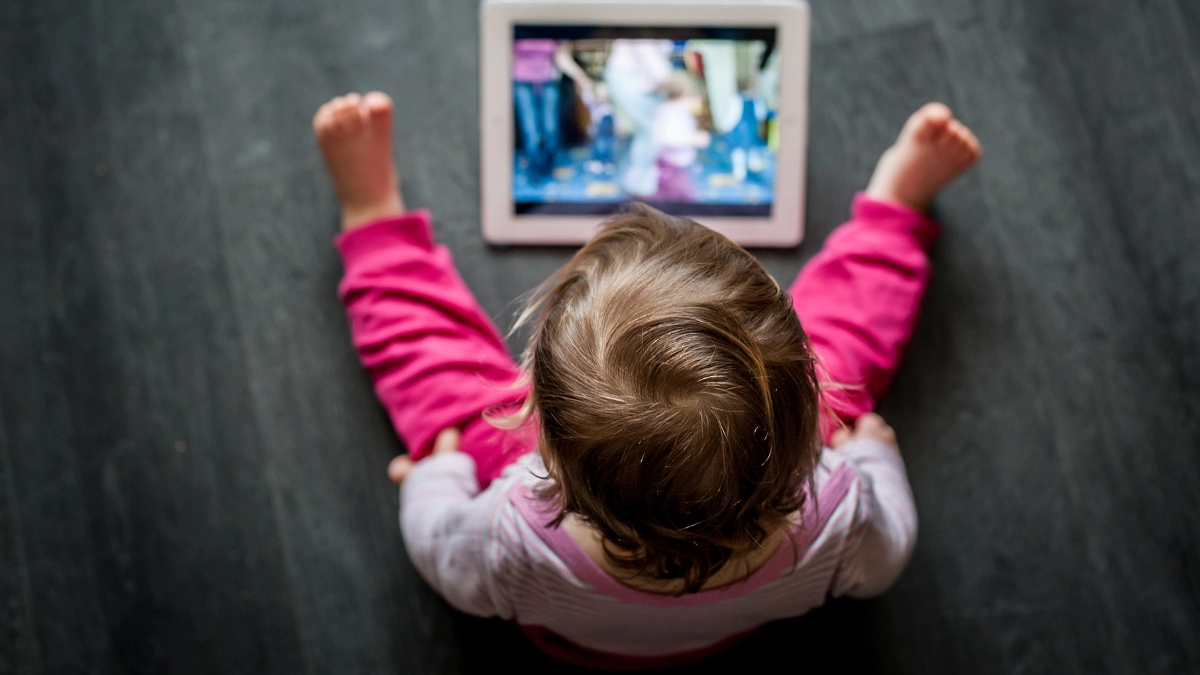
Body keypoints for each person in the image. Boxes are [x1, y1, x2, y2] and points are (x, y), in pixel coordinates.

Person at [313, 91, 981, 667]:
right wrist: (871, 454)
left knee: (440, 379)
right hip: (732, 635)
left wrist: (438, 476)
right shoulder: (840, 512)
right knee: (849, 337)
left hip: (578, 644)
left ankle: (374, 216)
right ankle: (894, 212)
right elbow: (889, 553)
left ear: (540, 437)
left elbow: (440, 552)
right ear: (810, 409)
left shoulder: (509, 531)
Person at [512, 40, 593, 182]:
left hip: (548, 82)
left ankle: (547, 166)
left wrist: (581, 77)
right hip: (522, 82)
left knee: (551, 129)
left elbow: (562, 58)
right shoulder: (520, 31)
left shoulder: (552, 31)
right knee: (531, 130)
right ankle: (535, 171)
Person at [650, 71, 711, 202]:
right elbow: (667, 138)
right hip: (671, 167)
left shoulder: (676, 110)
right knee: (681, 198)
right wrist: (693, 139)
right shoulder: (671, 112)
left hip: (677, 166)